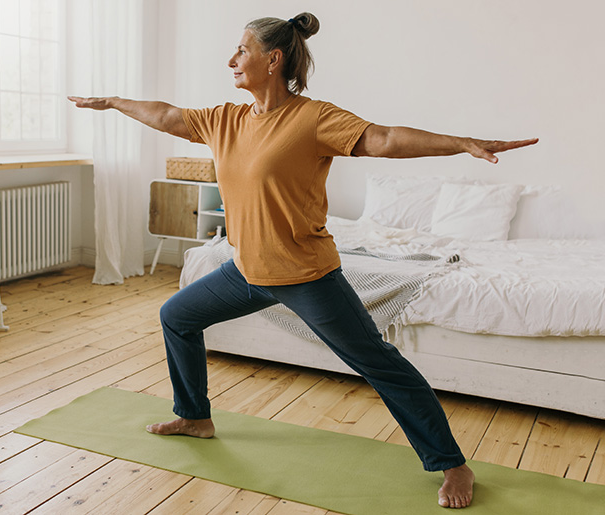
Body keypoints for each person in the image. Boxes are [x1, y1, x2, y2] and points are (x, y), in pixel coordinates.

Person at [69, 12, 537, 510]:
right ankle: (195, 417)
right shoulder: (225, 119)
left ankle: (452, 464)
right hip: (246, 270)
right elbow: (166, 116)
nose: (232, 60)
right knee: (176, 317)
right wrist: (116, 102)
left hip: (306, 276)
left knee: (380, 365)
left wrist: (461, 143)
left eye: (242, 51)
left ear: (273, 60)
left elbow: (384, 139)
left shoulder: (312, 119)